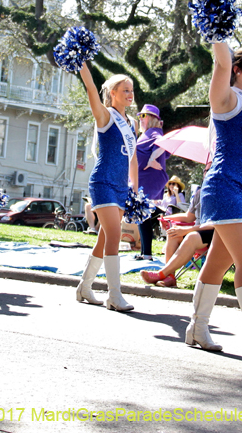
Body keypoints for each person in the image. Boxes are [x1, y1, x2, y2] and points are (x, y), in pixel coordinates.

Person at [183, 45, 242, 361]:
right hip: (226, 186)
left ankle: (197, 327)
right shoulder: (227, 100)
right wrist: (219, 31)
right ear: (237, 70)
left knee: (218, 262)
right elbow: (222, 61)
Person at [74, 64, 138, 312]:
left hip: (122, 186)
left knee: (104, 238)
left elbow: (133, 159)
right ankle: (114, 294)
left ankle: (85, 286)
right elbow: (91, 87)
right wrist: (82, 64)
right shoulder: (105, 115)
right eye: (125, 90)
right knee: (113, 235)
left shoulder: (132, 123)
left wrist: (135, 189)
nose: (130, 94)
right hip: (103, 182)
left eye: (132, 90)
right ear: (112, 92)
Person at [141, 185, 209, 288]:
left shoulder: (221, 194)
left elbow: (216, 224)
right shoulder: (199, 193)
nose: (207, 173)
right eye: (205, 171)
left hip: (214, 234)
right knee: (173, 233)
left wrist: (186, 230)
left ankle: (161, 274)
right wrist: (166, 218)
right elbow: (188, 217)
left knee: (191, 236)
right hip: (198, 232)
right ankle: (170, 277)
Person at [135, 104, 171, 260]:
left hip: (147, 180)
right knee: (141, 215)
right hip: (143, 179)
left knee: (142, 215)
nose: (140, 119)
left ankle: (147, 254)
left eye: (143, 116)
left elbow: (164, 144)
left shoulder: (154, 133)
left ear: (151, 119)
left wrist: (151, 158)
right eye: (140, 116)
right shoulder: (148, 134)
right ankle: (145, 252)